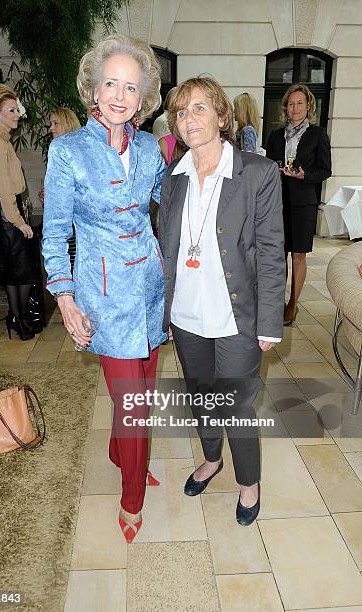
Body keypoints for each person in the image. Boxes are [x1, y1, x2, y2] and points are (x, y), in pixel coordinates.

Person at [42, 34, 166, 543]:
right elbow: (55, 231)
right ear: (94, 89)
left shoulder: (148, 148)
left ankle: (121, 454)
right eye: (111, 82)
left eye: (131, 87)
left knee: (144, 394)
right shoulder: (67, 151)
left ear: (143, 98)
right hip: (105, 297)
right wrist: (65, 298)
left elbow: (172, 201)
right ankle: (131, 498)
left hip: (152, 290)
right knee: (132, 404)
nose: (120, 94)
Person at [159, 76, 285, 525]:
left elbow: (272, 251)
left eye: (198, 108)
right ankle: (211, 459)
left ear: (221, 116)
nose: (188, 119)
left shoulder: (257, 172)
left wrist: (270, 322)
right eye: (180, 111)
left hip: (237, 317)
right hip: (187, 314)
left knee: (236, 404)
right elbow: (167, 247)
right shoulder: (172, 179)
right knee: (201, 395)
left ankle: (248, 481)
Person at [266, 83, 332, 325]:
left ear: (309, 107)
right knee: (277, 255)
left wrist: (305, 176)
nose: (294, 108)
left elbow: (325, 170)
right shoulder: (275, 136)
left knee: (298, 256)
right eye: (291, 104)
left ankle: (293, 304)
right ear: (285, 107)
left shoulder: (318, 135)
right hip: (278, 202)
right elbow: (268, 165)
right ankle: (277, 302)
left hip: (303, 203)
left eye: (299, 103)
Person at [0, 84, 36, 341]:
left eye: (16, 109)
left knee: (16, 272)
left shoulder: (0, 140)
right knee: (23, 272)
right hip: (5, 211)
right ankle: (19, 318)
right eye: (12, 110)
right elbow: (3, 188)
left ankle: (18, 318)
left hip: (3, 210)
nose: (17, 114)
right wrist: (18, 221)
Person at [38, 107, 81, 268]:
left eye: (56, 123)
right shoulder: (58, 150)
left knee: (74, 265)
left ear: (67, 124)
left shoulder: (76, 153)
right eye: (51, 123)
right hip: (65, 225)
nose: (51, 128)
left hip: (77, 225)